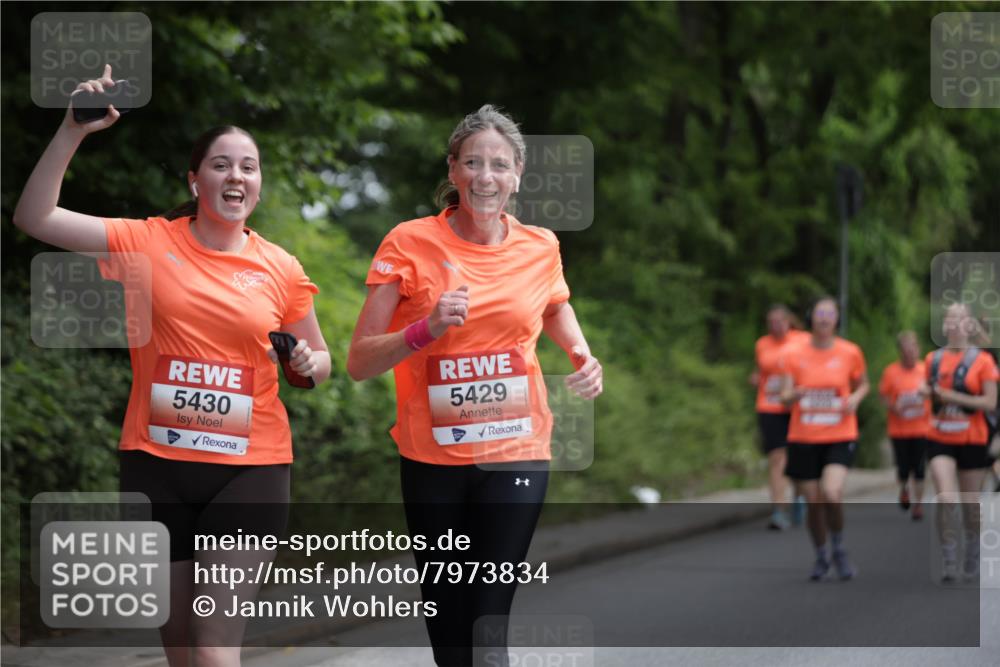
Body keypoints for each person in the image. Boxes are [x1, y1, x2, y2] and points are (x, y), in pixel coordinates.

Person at [13, 65, 331, 667]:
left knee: (213, 650)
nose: (236, 175)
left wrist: (309, 364)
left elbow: (319, 367)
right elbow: (35, 219)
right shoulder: (147, 242)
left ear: (257, 185)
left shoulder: (281, 267)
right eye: (221, 164)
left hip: (251, 468)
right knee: (182, 652)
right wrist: (70, 132)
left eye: (248, 166)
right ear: (195, 181)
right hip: (156, 465)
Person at [347, 104, 602, 666]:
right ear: (453, 170)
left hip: (516, 451)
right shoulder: (408, 243)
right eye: (473, 163)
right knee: (450, 627)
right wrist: (426, 328)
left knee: (487, 625)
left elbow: (556, 305)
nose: (485, 177)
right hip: (431, 460)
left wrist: (581, 353)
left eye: (499, 165)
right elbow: (360, 361)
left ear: (517, 175)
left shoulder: (541, 246)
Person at [779, 296, 869, 581]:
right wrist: (795, 394)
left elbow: (864, 383)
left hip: (839, 434)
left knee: (831, 493)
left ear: (837, 320)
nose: (825, 318)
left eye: (831, 313)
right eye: (820, 312)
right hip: (804, 436)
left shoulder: (850, 352)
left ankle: (839, 548)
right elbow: (782, 397)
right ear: (811, 318)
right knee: (814, 502)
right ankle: (821, 554)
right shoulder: (793, 354)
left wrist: (854, 398)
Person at [922, 303, 998, 583]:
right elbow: (929, 393)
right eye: (950, 318)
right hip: (940, 435)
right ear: (944, 326)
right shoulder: (933, 359)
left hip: (972, 438)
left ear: (969, 326)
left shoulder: (983, 362)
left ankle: (973, 550)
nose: (955, 323)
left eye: (961, 318)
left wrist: (953, 398)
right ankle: (949, 555)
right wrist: (925, 393)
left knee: (970, 504)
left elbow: (989, 401)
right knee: (945, 495)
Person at [750, 304, 810, 530]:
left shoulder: (802, 340)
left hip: (797, 407)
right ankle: (778, 510)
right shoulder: (762, 344)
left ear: (788, 321)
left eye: (779, 321)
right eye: (770, 323)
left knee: (798, 458)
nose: (775, 326)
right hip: (769, 406)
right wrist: (756, 378)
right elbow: (761, 371)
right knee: (777, 458)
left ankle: (799, 498)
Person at [878, 331, 931, 520]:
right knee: (902, 468)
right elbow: (883, 396)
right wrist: (893, 406)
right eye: (905, 349)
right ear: (900, 351)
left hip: (922, 428)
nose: (909, 353)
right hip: (899, 429)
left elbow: (936, 393)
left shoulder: (926, 370)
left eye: (913, 348)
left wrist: (928, 395)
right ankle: (904, 488)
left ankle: (918, 505)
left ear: (918, 349)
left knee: (919, 468)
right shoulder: (891, 372)